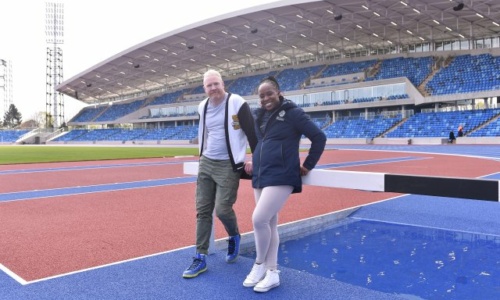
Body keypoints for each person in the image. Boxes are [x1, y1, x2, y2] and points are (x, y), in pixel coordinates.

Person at [242, 76, 326, 292]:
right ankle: (272, 273)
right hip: (261, 174)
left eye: (269, 93)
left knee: (259, 219)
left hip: (282, 174)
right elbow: (261, 142)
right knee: (269, 224)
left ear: (279, 92)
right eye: (261, 95)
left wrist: (307, 165)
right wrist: (254, 157)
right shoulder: (259, 116)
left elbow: (319, 137)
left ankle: (259, 264)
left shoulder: (293, 113)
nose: (265, 98)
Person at [182, 69, 257, 278]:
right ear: (204, 88)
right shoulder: (202, 106)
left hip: (228, 164)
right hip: (206, 162)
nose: (213, 88)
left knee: (223, 209)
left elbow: (252, 133)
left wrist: (255, 159)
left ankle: (234, 236)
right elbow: (207, 132)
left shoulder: (237, 103)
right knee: (203, 210)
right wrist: (202, 156)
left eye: (216, 83)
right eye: (209, 85)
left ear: (223, 84)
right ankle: (200, 257)